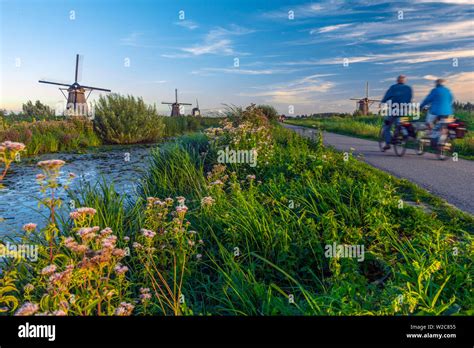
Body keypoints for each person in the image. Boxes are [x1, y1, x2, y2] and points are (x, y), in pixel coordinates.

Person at [381, 75, 413, 150]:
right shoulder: (408, 88)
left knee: (386, 126)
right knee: (403, 124)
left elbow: (387, 96)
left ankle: (388, 143)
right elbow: (410, 98)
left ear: (397, 80)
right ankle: (403, 134)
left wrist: (383, 101)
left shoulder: (393, 87)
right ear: (404, 81)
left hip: (394, 109)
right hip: (405, 110)